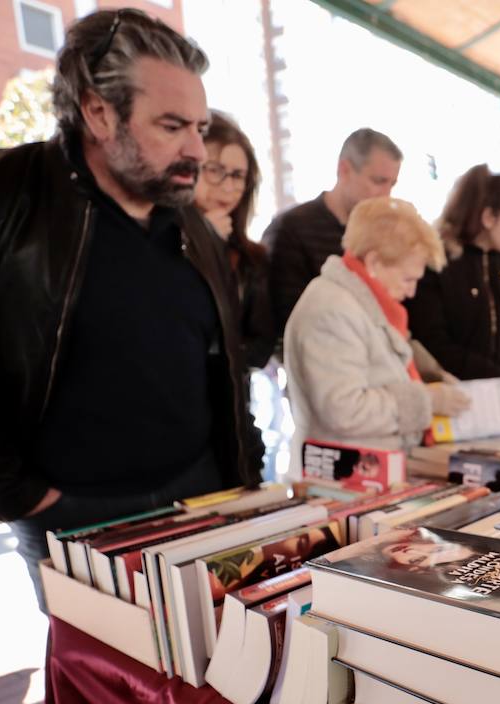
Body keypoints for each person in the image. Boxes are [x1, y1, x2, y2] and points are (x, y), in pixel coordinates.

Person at [0, 9, 263, 612]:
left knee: (212, 683)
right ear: (99, 112)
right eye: (171, 125)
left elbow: (223, 370)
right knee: (105, 686)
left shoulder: (193, 227)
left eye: (201, 126)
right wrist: (18, 494)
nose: (196, 148)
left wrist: (244, 477)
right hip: (72, 513)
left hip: (201, 492)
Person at [284, 197, 470, 452]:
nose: (412, 292)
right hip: (343, 475)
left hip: (366, 470)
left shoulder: (358, 304)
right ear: (373, 263)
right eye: (407, 279)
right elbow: (345, 410)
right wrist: (427, 401)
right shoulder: (332, 310)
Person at [407, 165, 500, 397]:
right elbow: (432, 340)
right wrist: (498, 379)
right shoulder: (438, 263)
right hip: (450, 398)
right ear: (489, 217)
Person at [263, 128, 402, 346]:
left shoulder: (381, 233)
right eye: (378, 181)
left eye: (392, 184)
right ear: (344, 170)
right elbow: (286, 321)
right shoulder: (292, 228)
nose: (386, 194)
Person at [193, 110, 273, 368]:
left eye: (238, 176)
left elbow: (260, 348)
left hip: (230, 398)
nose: (227, 187)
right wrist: (202, 239)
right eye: (214, 171)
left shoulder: (252, 258)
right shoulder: (160, 243)